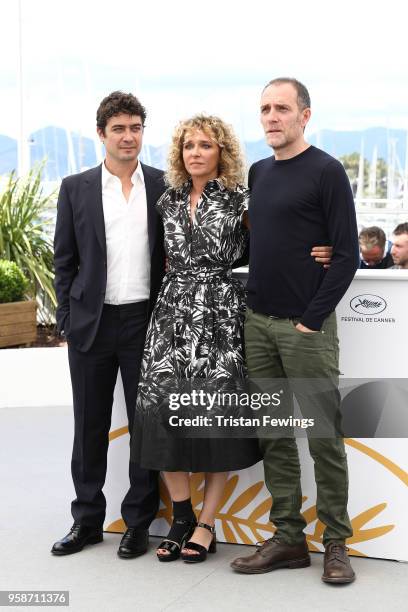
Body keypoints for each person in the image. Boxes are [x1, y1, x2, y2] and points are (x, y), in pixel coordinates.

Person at [132, 114, 333, 564]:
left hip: (222, 315)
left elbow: (279, 240)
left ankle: (206, 523)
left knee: (215, 417)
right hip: (171, 314)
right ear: (180, 154)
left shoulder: (244, 198)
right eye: (189, 146)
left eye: (205, 145)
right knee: (159, 411)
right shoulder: (166, 201)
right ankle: (181, 516)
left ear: (221, 151)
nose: (196, 153)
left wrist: (327, 248)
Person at [230, 78, 359, 584]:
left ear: (304, 115)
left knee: (324, 437)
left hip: (306, 330)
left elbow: (345, 256)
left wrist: (311, 319)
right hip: (257, 325)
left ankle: (335, 543)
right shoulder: (259, 173)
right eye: (264, 108)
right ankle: (287, 538)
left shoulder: (327, 172)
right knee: (274, 437)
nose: (271, 117)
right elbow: (264, 243)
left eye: (281, 108)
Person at [52, 91, 166, 558]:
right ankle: (87, 521)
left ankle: (139, 522)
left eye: (135, 127)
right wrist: (66, 320)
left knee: (147, 427)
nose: (128, 136)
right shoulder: (75, 187)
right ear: (101, 134)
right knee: (89, 427)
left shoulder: (163, 185)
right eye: (118, 128)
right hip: (91, 326)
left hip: (145, 321)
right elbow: (64, 261)